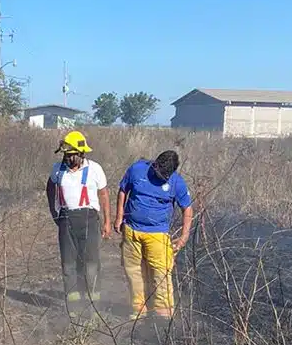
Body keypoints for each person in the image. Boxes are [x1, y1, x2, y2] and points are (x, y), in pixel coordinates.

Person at [114, 149, 193, 321]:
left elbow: (187, 207)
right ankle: (138, 309)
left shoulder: (177, 183)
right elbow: (122, 190)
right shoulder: (137, 170)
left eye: (164, 175)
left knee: (161, 273)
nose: (160, 177)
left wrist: (184, 236)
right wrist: (119, 216)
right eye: (157, 172)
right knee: (133, 271)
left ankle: (163, 314)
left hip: (157, 234)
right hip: (131, 231)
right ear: (154, 164)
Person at [46, 131, 111, 318]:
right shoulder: (58, 170)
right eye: (65, 154)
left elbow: (104, 195)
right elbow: (50, 188)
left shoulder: (94, 169)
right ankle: (73, 309)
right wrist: (54, 211)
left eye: (70, 155)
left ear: (81, 153)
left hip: (90, 219)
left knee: (90, 265)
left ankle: (92, 308)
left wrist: (107, 221)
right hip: (66, 219)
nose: (67, 158)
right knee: (68, 265)